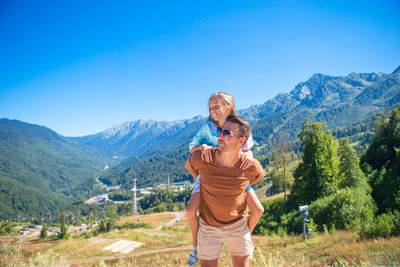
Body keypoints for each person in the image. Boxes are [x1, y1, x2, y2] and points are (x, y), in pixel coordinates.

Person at [186, 92, 264, 266]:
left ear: (229, 106)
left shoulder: (241, 125)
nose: (212, 110)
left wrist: (248, 155)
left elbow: (248, 148)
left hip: (236, 174)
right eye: (210, 107)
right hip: (209, 173)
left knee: (258, 209)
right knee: (190, 210)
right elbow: (192, 148)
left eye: (216, 106)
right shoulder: (207, 127)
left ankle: (244, 237)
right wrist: (203, 147)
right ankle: (196, 245)